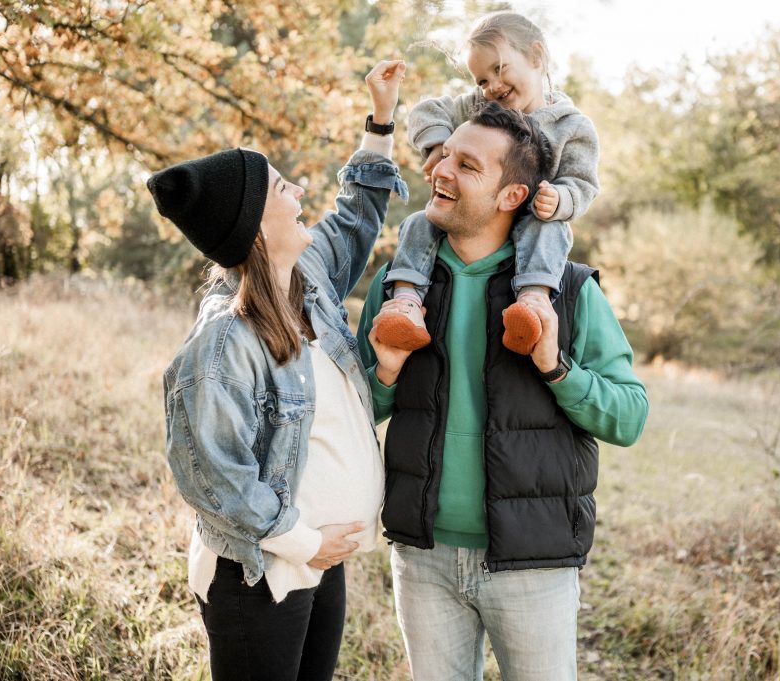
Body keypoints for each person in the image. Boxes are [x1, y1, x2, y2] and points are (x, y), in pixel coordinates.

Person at [357, 102, 648, 681]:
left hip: (532, 562)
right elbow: (358, 412)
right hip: (423, 557)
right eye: (445, 155)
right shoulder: (399, 288)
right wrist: (385, 372)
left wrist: (556, 366)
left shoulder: (567, 291)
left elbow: (630, 416)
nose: (441, 169)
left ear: (512, 195)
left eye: (467, 165)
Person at [150, 60, 409, 681]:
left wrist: (381, 118)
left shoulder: (310, 280)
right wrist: (304, 542)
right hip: (261, 572)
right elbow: (210, 474)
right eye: (281, 188)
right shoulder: (223, 342)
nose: (299, 194)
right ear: (253, 228)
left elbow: (356, 216)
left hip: (321, 561)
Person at [373, 11, 600, 356]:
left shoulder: (571, 126)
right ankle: (406, 303)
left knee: (549, 230)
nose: (491, 86)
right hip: (476, 217)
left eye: (499, 69)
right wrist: (438, 144)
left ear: (536, 56)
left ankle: (533, 303)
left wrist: (561, 199)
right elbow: (425, 110)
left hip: (533, 216)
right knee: (420, 223)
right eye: (481, 80)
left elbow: (582, 182)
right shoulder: (479, 107)